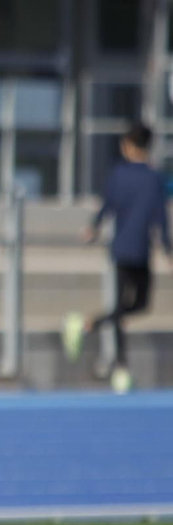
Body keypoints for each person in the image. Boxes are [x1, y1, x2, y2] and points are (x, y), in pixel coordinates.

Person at [62, 122, 171, 393]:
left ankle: (88, 325)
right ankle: (120, 367)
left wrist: (93, 227)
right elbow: (160, 219)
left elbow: (107, 207)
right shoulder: (151, 178)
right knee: (128, 307)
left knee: (131, 306)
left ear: (131, 146)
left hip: (124, 249)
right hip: (135, 249)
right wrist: (168, 249)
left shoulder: (124, 175)